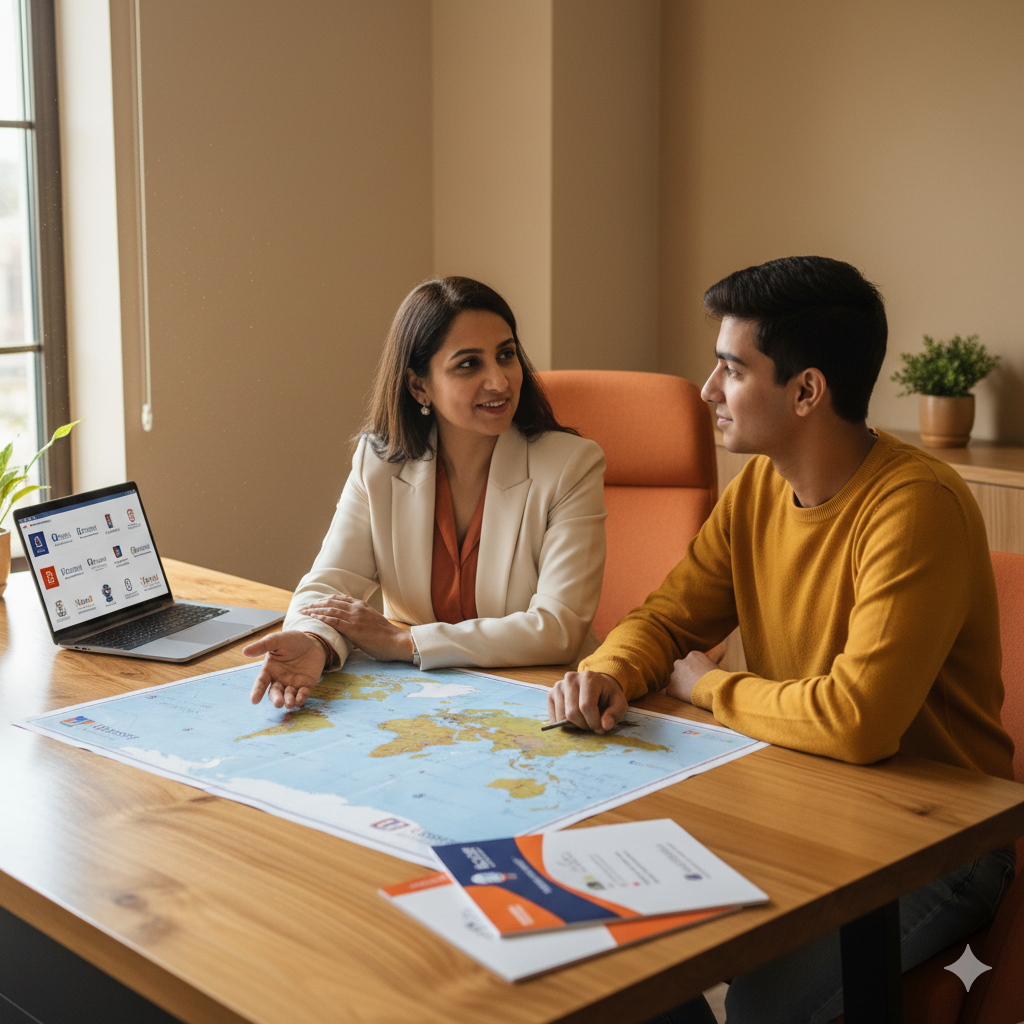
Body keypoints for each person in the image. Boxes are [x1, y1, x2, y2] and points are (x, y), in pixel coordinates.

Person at [548, 256, 1016, 1024]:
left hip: (941, 847)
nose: (707, 391)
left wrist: (705, 687)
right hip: (805, 805)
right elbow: (665, 619)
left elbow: (857, 721)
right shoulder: (760, 489)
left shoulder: (914, 507)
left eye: (731, 370)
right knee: (618, 963)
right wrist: (610, 671)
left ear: (806, 391)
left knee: (762, 1003)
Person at [246, 276, 606, 711]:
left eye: (506, 355)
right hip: (424, 703)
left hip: (541, 698)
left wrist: (405, 641)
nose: (499, 381)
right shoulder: (378, 462)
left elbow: (558, 629)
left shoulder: (571, 464)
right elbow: (327, 585)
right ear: (419, 386)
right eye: (469, 364)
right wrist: (314, 642)